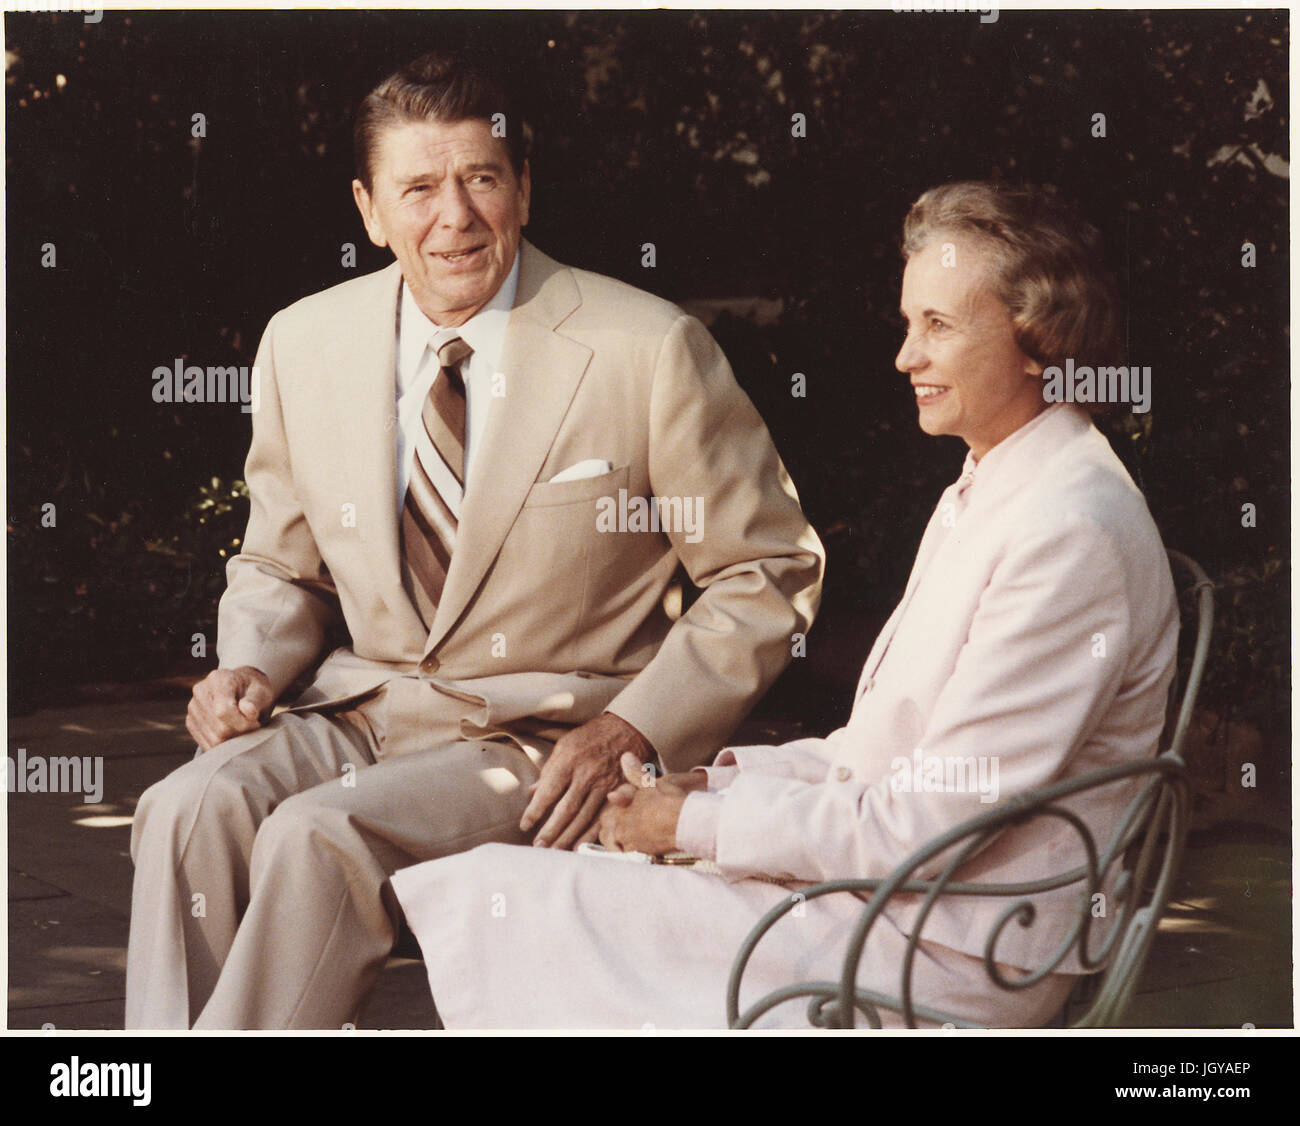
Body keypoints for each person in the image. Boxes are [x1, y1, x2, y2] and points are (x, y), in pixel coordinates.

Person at [124, 50, 824, 1030]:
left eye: (480, 178)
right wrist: (248, 665)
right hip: (359, 713)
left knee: (317, 835)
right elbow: (283, 562)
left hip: (542, 743)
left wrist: (638, 725)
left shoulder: (646, 348)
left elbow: (765, 570)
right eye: (418, 188)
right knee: (186, 807)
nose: (453, 215)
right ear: (368, 209)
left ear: (522, 189)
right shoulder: (303, 341)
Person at [389, 181, 1180, 1029]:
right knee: (527, 884)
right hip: (895, 909)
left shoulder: (1068, 527)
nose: (905, 358)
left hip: (941, 953)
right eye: (909, 324)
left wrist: (691, 824)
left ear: (1039, 341)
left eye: (939, 327)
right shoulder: (1005, 482)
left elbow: (932, 823)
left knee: (505, 892)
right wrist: (714, 785)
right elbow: (877, 756)